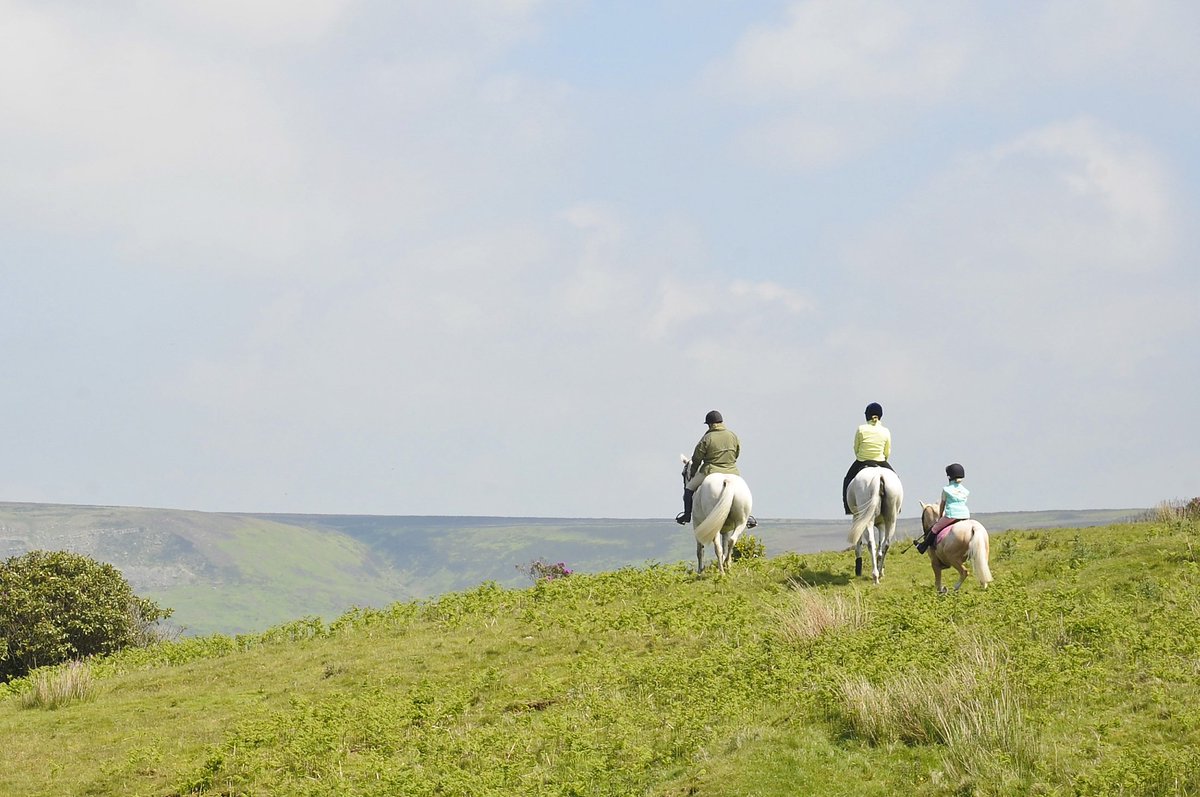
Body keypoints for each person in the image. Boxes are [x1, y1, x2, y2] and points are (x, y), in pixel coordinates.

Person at [676, 410, 756, 527]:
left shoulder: (707, 438)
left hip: (710, 470)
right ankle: (747, 516)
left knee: (688, 489)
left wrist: (693, 472)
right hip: (732, 471)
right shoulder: (733, 436)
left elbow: (697, 458)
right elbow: (737, 453)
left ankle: (687, 515)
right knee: (740, 488)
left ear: (709, 424)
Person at [841, 402, 895, 515]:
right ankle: (897, 507)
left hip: (862, 461)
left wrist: (863, 456)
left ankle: (848, 508)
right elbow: (887, 451)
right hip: (881, 461)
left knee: (847, 479)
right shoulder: (886, 431)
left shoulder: (861, 429)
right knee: (896, 479)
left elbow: (856, 448)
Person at [916, 463, 969, 553]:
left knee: (935, 529)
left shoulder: (946, 489)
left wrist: (940, 516)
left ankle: (922, 547)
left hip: (951, 515)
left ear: (949, 477)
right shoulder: (965, 491)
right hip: (965, 515)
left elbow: (942, 505)